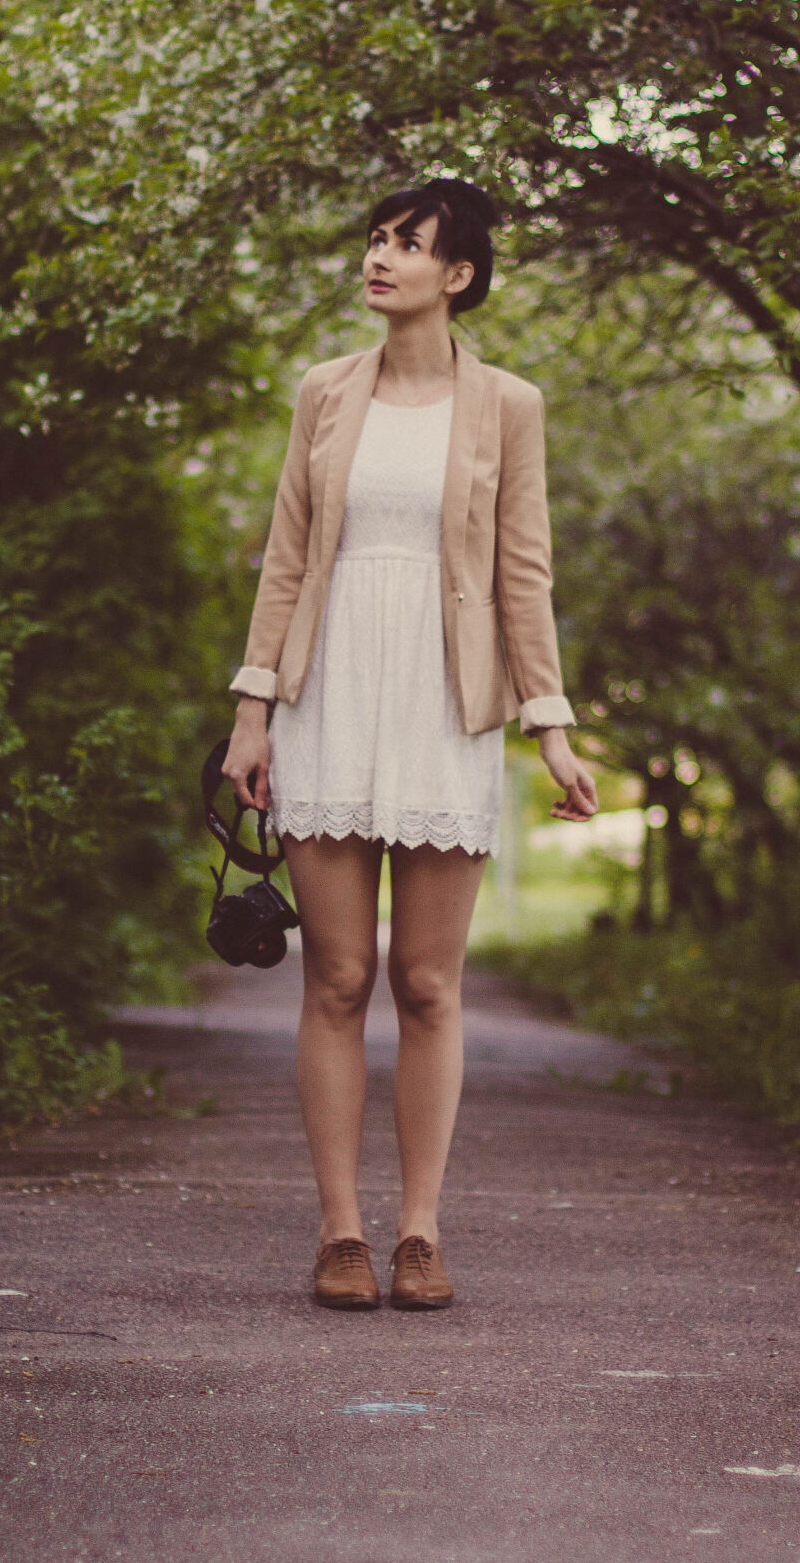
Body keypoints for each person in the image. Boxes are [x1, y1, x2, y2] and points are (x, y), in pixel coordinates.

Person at [221, 177, 598, 1311]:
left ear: (460, 274)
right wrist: (252, 708)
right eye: (375, 240)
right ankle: (340, 1231)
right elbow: (287, 554)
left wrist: (552, 722)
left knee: (428, 981)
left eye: (407, 243)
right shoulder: (324, 393)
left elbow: (520, 569)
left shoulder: (508, 406)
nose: (380, 258)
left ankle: (420, 1229)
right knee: (335, 976)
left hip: (444, 705)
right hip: (328, 694)